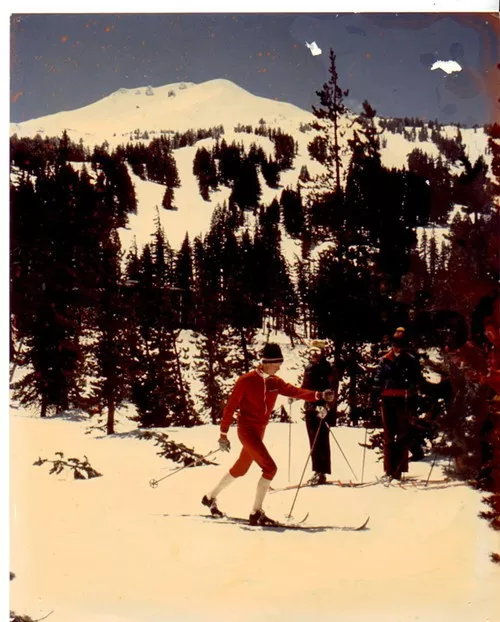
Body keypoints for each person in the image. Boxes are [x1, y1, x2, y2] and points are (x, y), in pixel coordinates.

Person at [202, 342, 336, 526]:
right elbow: (230, 406)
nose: (279, 367)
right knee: (270, 468)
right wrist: (223, 434)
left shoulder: (275, 381)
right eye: (277, 363)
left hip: (260, 430)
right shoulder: (246, 380)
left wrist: (319, 395)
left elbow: (295, 391)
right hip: (247, 430)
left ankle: (210, 497)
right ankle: (256, 513)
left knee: (241, 468)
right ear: (266, 362)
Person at [373, 335, 423, 480]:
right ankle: (389, 470)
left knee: (402, 434)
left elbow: (415, 379)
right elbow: (378, 377)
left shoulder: (410, 360)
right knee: (388, 435)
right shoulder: (385, 360)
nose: (396, 348)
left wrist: (412, 392)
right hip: (387, 399)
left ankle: (399, 471)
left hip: (403, 399)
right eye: (395, 345)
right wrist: (376, 391)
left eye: (399, 345)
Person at [300, 340, 339, 485]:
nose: (313, 354)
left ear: (323, 353)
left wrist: (328, 408)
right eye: (311, 352)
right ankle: (317, 471)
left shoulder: (329, 368)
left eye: (317, 352)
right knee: (313, 441)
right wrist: (296, 396)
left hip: (323, 408)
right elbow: (304, 388)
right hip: (310, 408)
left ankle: (322, 472)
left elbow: (333, 390)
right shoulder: (309, 368)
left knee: (322, 440)